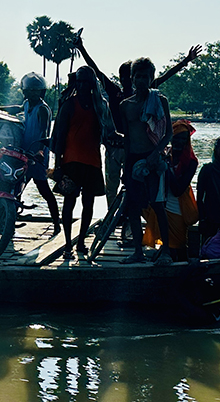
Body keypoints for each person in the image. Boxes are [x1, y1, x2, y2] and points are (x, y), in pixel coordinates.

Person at [74, 31, 200, 219]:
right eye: (124, 77)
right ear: (124, 78)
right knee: (112, 185)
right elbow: (96, 70)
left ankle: (130, 221)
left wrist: (185, 61)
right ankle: (112, 218)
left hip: (137, 150)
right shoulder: (116, 93)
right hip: (115, 148)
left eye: (130, 77)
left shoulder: (149, 94)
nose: (128, 81)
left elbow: (166, 76)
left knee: (137, 189)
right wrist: (81, 48)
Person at [49, 66, 112, 260]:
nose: (83, 85)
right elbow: (59, 136)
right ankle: (68, 244)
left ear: (93, 83)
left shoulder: (101, 105)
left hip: (93, 161)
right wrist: (58, 165)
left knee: (89, 204)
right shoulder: (69, 104)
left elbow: (109, 132)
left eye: (87, 81)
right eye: (80, 81)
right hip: (71, 161)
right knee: (69, 202)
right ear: (76, 82)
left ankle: (82, 241)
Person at [118, 58, 174, 265]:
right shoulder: (125, 106)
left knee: (158, 205)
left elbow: (168, 133)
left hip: (154, 158)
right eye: (138, 76)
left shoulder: (160, 101)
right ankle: (138, 253)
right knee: (132, 206)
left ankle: (166, 251)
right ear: (132, 79)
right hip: (133, 158)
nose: (141, 80)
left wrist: (156, 153)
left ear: (151, 78)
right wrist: (125, 166)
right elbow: (127, 139)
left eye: (145, 76)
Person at [142, 120, 200, 262]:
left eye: (183, 139)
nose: (179, 142)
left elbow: (178, 189)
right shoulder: (164, 154)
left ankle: (182, 268)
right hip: (160, 201)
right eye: (176, 137)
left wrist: (167, 167)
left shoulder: (191, 162)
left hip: (178, 207)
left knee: (179, 245)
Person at [18, 72, 61, 235]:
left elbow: (44, 132)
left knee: (43, 189)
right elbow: (17, 109)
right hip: (24, 153)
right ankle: (9, 218)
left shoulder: (42, 109)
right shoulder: (27, 104)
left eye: (36, 91)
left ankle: (56, 223)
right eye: (30, 90)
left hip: (37, 155)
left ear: (41, 92)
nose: (33, 94)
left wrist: (40, 151)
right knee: (17, 186)